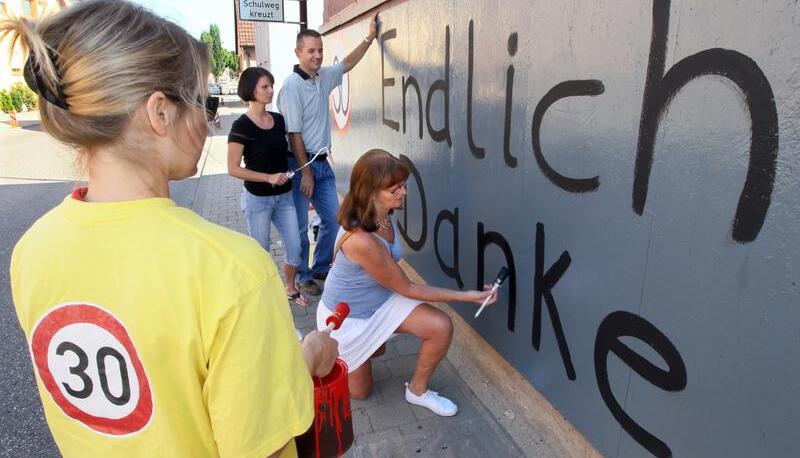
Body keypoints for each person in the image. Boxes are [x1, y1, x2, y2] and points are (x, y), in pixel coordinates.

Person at [2, 1, 337, 456]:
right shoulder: (234, 273)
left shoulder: (32, 252)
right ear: (159, 112)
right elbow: (265, 445)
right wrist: (308, 356)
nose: (208, 118)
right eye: (205, 101)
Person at [317, 150, 497, 417]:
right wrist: (468, 296)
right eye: (395, 188)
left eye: (402, 185)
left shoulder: (383, 213)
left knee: (440, 326)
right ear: (371, 191)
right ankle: (323, 350)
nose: (403, 192)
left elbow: (396, 279)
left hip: (380, 300)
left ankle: (417, 391)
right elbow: (408, 288)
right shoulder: (361, 239)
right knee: (360, 392)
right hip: (347, 318)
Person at [277, 16, 378, 296]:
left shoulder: (322, 77)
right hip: (300, 166)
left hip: (322, 163)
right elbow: (293, 133)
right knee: (298, 227)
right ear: (298, 53)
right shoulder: (291, 87)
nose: (317, 55)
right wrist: (305, 171)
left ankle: (321, 267)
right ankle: (303, 276)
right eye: (311, 51)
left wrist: (369, 38)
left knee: (334, 220)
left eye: (320, 50)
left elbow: (347, 64)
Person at [228, 67, 309, 307]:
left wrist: (306, 167)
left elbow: (287, 150)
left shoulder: (279, 120)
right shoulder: (241, 126)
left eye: (271, 85)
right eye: (265, 87)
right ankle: (265, 296)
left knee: (296, 247)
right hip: (258, 200)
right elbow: (233, 169)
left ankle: (289, 287)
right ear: (250, 90)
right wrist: (268, 177)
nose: (271, 90)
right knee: (261, 252)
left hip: (284, 198)